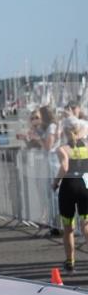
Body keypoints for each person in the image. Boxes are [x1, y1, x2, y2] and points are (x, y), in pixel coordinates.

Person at [52, 117, 88, 274]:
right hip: (85, 185)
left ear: (65, 131)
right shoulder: (87, 146)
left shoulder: (63, 148)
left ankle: (70, 261)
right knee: (86, 225)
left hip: (68, 186)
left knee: (68, 227)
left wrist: (55, 182)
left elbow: (64, 166)